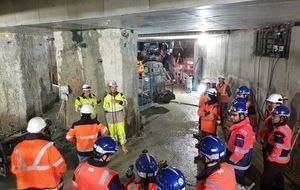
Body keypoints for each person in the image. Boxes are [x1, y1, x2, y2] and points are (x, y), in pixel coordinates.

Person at [11, 117, 67, 190]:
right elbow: (62, 168)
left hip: (26, 186)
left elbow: (14, 169)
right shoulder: (49, 147)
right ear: (42, 130)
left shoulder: (17, 148)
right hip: (48, 185)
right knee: (60, 182)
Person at [261, 105, 292, 190]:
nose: (272, 118)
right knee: (278, 177)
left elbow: (277, 149)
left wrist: (270, 159)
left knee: (265, 179)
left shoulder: (279, 132)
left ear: (282, 118)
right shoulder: (285, 128)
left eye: (275, 116)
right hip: (283, 160)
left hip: (276, 160)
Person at [225, 103, 256, 185]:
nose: (231, 117)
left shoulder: (240, 133)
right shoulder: (247, 125)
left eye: (234, 115)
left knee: (237, 179)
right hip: (245, 158)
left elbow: (238, 154)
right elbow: (253, 140)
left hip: (239, 162)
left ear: (242, 116)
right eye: (231, 114)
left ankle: (245, 185)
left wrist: (227, 162)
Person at [103, 80, 128, 153]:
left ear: (116, 88)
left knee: (121, 130)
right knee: (112, 131)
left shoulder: (121, 95)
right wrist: (108, 107)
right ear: (110, 88)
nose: (114, 89)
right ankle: (115, 145)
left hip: (119, 114)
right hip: (110, 115)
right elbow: (104, 106)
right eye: (112, 88)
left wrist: (118, 101)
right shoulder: (106, 96)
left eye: (115, 87)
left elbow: (125, 103)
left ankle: (123, 146)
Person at [259, 93, 284, 164]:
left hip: (269, 143)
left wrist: (264, 140)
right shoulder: (272, 114)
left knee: (268, 161)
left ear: (277, 104)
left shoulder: (275, 117)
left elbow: (270, 130)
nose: (270, 104)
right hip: (267, 141)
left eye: (271, 103)